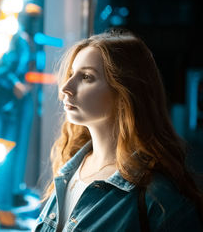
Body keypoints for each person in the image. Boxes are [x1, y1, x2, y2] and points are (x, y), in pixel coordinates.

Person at [33, 29, 203, 231]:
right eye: (71, 74)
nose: (66, 87)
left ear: (124, 91)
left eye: (87, 77)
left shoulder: (159, 198)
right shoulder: (68, 171)